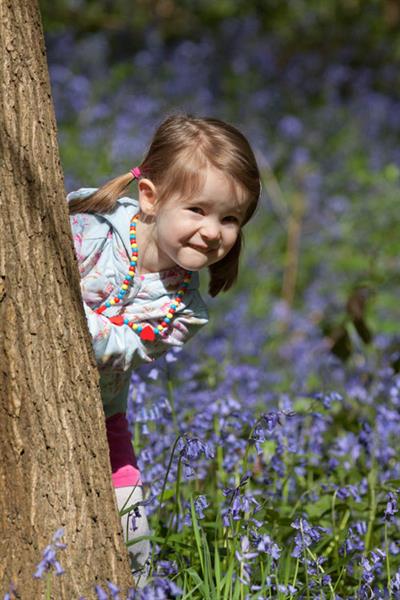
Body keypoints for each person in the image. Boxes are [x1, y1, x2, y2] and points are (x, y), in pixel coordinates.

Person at [67, 114, 261, 584]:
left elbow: (121, 350)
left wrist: (66, 313)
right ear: (151, 198)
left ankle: (140, 585)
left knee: (129, 514)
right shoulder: (90, 233)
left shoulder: (184, 311)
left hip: (101, 414)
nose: (214, 231)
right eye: (198, 210)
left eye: (230, 218)